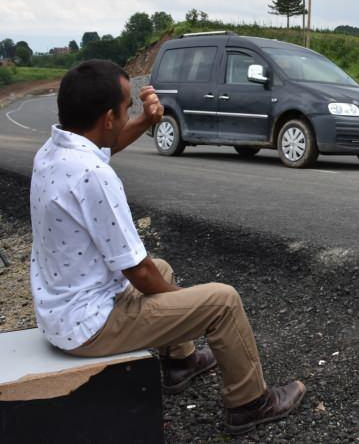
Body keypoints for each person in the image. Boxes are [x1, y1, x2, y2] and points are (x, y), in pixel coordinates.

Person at [29, 59, 305, 436]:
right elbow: (138, 273)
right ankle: (250, 403)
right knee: (221, 301)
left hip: (61, 310)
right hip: (89, 327)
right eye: (128, 109)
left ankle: (182, 363)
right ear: (109, 117)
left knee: (163, 266)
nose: (131, 115)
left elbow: (103, 148)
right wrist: (186, 306)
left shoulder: (53, 152)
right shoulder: (93, 177)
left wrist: (146, 121)